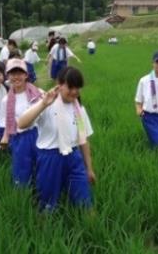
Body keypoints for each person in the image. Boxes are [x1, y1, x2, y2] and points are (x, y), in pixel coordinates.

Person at [17, 67, 96, 211]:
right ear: (59, 84)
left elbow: (83, 140)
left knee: (84, 201)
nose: (74, 91)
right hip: (50, 158)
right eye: (70, 87)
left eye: (77, 88)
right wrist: (43, 104)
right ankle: (45, 226)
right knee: (48, 202)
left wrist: (89, 168)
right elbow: (22, 124)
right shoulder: (46, 104)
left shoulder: (79, 109)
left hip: (73, 157)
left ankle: (92, 226)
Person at [0, 59, 43, 186]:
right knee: (21, 166)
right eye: (13, 74)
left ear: (26, 75)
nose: (16, 77)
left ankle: (39, 189)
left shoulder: (37, 92)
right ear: (8, 76)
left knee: (40, 164)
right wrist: (5, 138)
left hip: (38, 134)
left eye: (20, 73)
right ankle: (23, 192)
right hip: (19, 137)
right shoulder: (6, 100)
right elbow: (6, 123)